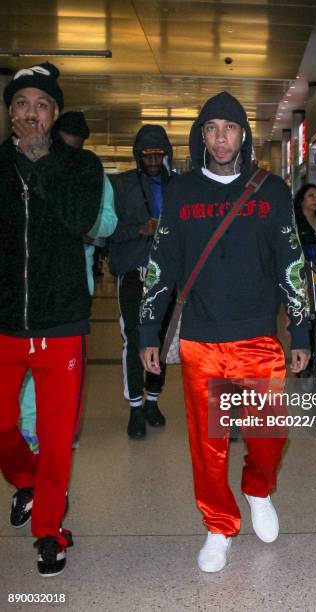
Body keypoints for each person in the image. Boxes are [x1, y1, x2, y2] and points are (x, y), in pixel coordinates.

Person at [139, 91, 310, 573]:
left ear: (243, 135)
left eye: (229, 128)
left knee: (267, 437)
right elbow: (162, 265)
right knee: (208, 445)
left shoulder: (271, 191)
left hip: (258, 337)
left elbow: (291, 261)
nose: (220, 137)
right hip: (201, 338)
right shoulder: (181, 192)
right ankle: (218, 525)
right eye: (211, 128)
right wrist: (148, 329)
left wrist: (301, 329)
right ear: (200, 136)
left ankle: (258, 490)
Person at [0, 63, 103, 576]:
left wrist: (40, 162)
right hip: (4, 323)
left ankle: (50, 529)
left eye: (42, 105)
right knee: (2, 424)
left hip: (61, 323)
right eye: (22, 104)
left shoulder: (80, 167)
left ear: (54, 113)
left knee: (58, 435)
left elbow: (80, 220)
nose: (32, 113)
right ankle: (27, 478)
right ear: (10, 113)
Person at [18, 111, 118, 454]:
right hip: (25, 286)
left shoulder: (92, 175)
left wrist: (77, 226)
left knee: (59, 366)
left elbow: (107, 223)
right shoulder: (20, 166)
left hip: (72, 284)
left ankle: (45, 427)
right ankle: (28, 425)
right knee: (25, 360)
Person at [109, 125, 174, 439]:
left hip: (167, 275)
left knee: (160, 339)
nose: (152, 159)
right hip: (134, 271)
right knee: (134, 338)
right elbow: (106, 231)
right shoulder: (121, 185)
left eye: (157, 154)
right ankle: (135, 406)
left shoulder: (176, 185)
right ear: (137, 154)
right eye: (146, 154)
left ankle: (152, 400)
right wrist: (140, 229)